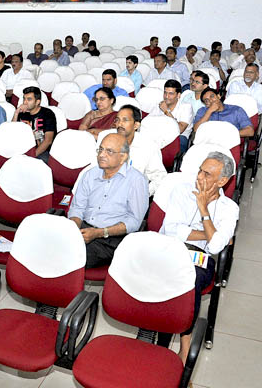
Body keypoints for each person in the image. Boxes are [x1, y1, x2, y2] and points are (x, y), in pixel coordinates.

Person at [159, 152, 238, 364]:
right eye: (200, 171)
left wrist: (203, 210)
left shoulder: (229, 209)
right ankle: (164, 341)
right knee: (164, 274)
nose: (199, 177)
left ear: (222, 181)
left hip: (200, 258)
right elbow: (171, 230)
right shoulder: (181, 191)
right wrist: (210, 233)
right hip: (169, 248)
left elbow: (215, 246)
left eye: (207, 174)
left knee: (188, 279)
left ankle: (181, 346)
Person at [69, 133, 149, 268]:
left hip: (110, 237)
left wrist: (99, 233)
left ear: (123, 157)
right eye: (100, 149)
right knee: (51, 242)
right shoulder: (90, 174)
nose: (101, 155)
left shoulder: (136, 181)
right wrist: (73, 229)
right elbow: (77, 208)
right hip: (83, 228)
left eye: (109, 151)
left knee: (71, 256)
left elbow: (134, 222)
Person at [113, 104, 167, 195]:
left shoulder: (148, 146)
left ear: (136, 125)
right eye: (117, 120)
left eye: (125, 120)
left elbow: (160, 177)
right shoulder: (107, 139)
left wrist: (143, 194)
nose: (119, 124)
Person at [12, 86, 56, 162]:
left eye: (29, 99)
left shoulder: (48, 114)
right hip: (22, 149)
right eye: (24, 99)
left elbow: (48, 141)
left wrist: (31, 157)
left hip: (41, 151)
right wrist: (16, 113)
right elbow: (12, 131)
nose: (25, 102)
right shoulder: (22, 113)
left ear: (37, 102)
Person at [151, 79, 194, 153]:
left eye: (171, 93)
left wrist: (166, 111)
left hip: (178, 138)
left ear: (178, 95)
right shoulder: (160, 105)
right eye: (165, 93)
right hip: (160, 136)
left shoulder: (186, 107)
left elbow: (180, 129)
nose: (166, 96)